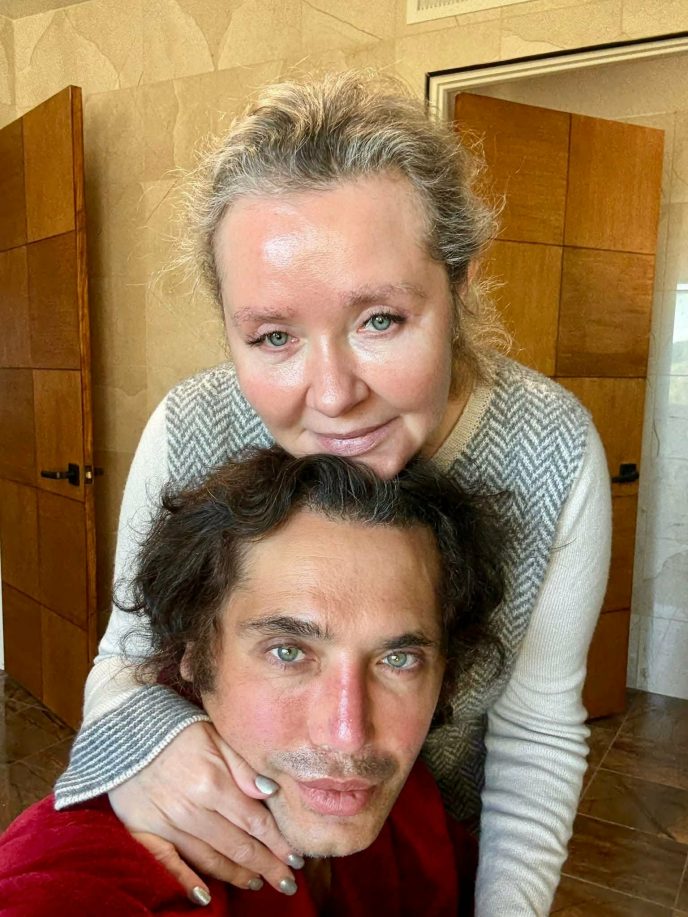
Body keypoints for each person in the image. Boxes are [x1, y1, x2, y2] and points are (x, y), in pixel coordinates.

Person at [53, 71, 611, 915]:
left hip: (437, 864)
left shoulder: (552, 447)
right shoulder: (192, 428)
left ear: (459, 286)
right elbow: (124, 659)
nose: (334, 394)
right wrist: (146, 741)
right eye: (273, 335)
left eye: (380, 320)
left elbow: (535, 734)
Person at [0, 449, 503, 915]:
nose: (348, 735)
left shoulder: (408, 799)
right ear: (195, 653)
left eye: (398, 659)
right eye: (288, 652)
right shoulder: (89, 860)